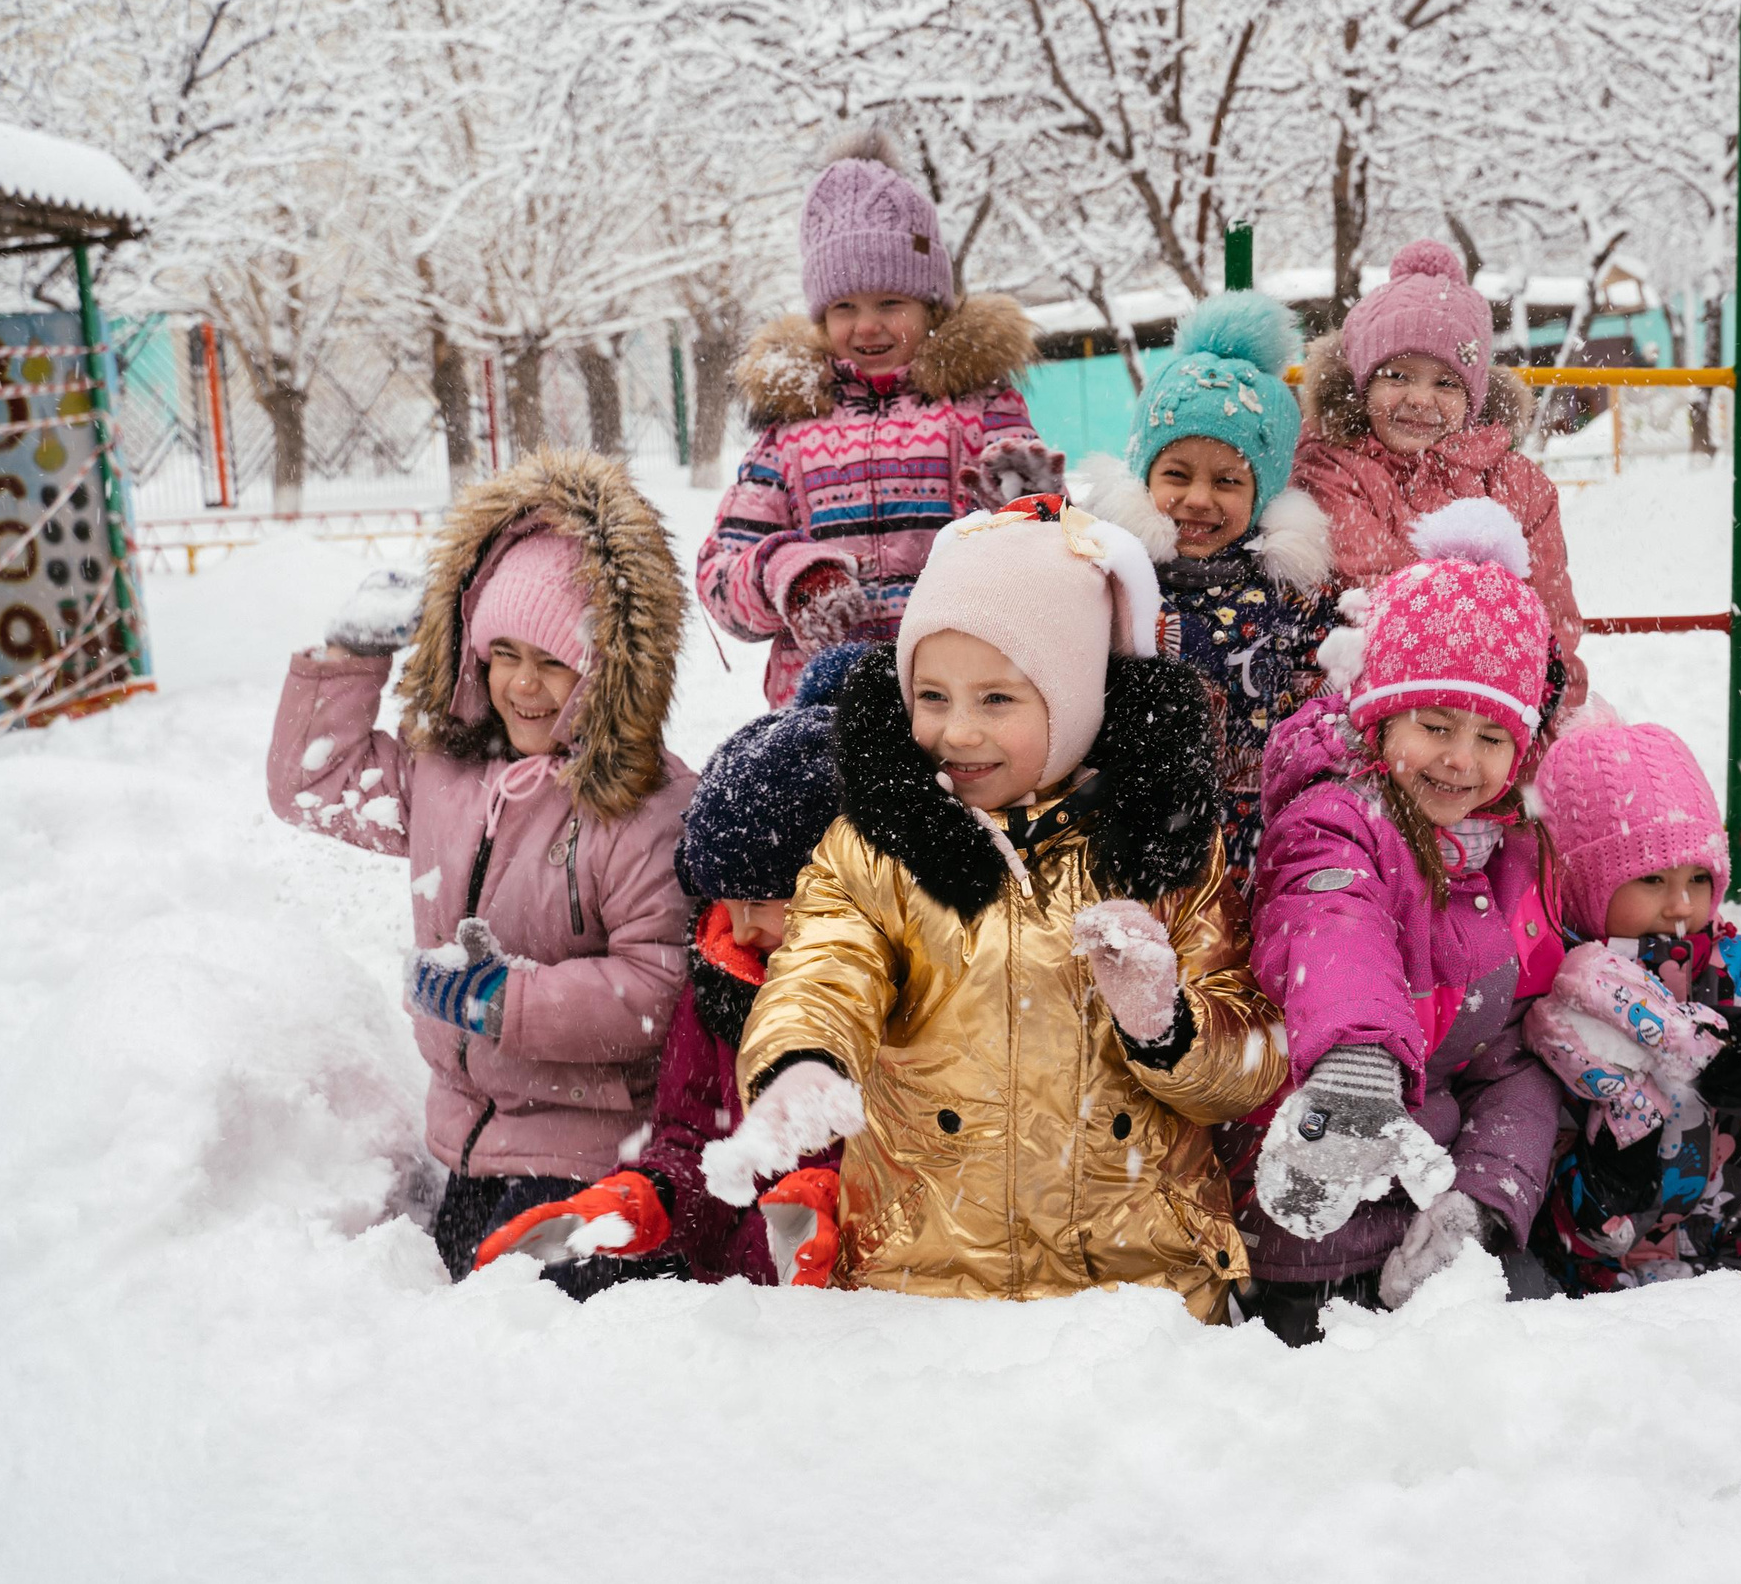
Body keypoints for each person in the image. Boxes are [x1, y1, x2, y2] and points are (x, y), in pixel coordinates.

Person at [700, 494, 1285, 1319]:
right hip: (922, 1284)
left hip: (1138, 1295)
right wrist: (804, 1058)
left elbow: (1250, 1055)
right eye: (931, 696)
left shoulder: (1162, 847)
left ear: (1078, 701)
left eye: (997, 700)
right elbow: (824, 968)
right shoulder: (877, 847)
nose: (956, 731)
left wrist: (1169, 1024)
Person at [265, 452, 698, 1300]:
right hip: (467, 1143)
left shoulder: (644, 808)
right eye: (503, 653)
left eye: (554, 661)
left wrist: (507, 1000)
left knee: (523, 1329)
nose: (523, 686)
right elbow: (311, 786)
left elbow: (657, 987)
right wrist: (348, 657)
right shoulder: (446, 775)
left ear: (609, 670)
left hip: (593, 1154)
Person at [1241, 497, 1567, 1345]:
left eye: (1492, 736)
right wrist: (1356, 1056)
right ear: (1380, 715)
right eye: (1435, 725)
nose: (1461, 760)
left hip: (1434, 1220)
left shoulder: (1507, 854)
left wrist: (1486, 1199)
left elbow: (1508, 1059)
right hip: (1314, 1224)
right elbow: (1330, 917)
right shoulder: (1337, 818)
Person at [468, 646, 867, 1288]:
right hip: (727, 1315)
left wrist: (841, 1202)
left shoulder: (906, 996)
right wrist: (647, 1199)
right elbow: (692, 1138)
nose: (739, 928)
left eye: (763, 902)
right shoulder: (723, 975)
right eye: (725, 902)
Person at [695, 131, 1060, 706]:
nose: (867, 326)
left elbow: (1043, 562)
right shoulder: (790, 427)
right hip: (825, 715)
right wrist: (789, 575)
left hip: (955, 707)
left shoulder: (980, 409)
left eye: (890, 303)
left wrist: (1023, 510)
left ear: (930, 306)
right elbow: (721, 575)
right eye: (845, 307)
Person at [1523, 712, 1741, 1293]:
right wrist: (1608, 1176)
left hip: (1717, 1238)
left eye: (1698, 877)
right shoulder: (1548, 989)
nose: (1680, 904)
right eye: (1650, 881)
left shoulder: (1719, 961)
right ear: (1581, 883)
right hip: (1583, 1262)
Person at [1073, 290, 1336, 882]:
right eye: (1176, 474)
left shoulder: (1286, 592)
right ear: (1144, 473)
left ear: (1261, 493)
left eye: (1227, 481)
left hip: (1254, 823)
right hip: (1132, 818)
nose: (1197, 499)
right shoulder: (1110, 574)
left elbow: (1319, 696)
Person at [1289, 239, 1589, 709]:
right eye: (1397, 376)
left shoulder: (1519, 484)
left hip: (1500, 710)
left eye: (1446, 383)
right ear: (1361, 385)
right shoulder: (1333, 467)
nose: (1420, 400)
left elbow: (1552, 613)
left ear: (1475, 395)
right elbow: (1383, 588)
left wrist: (1548, 705)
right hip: (1381, 701)